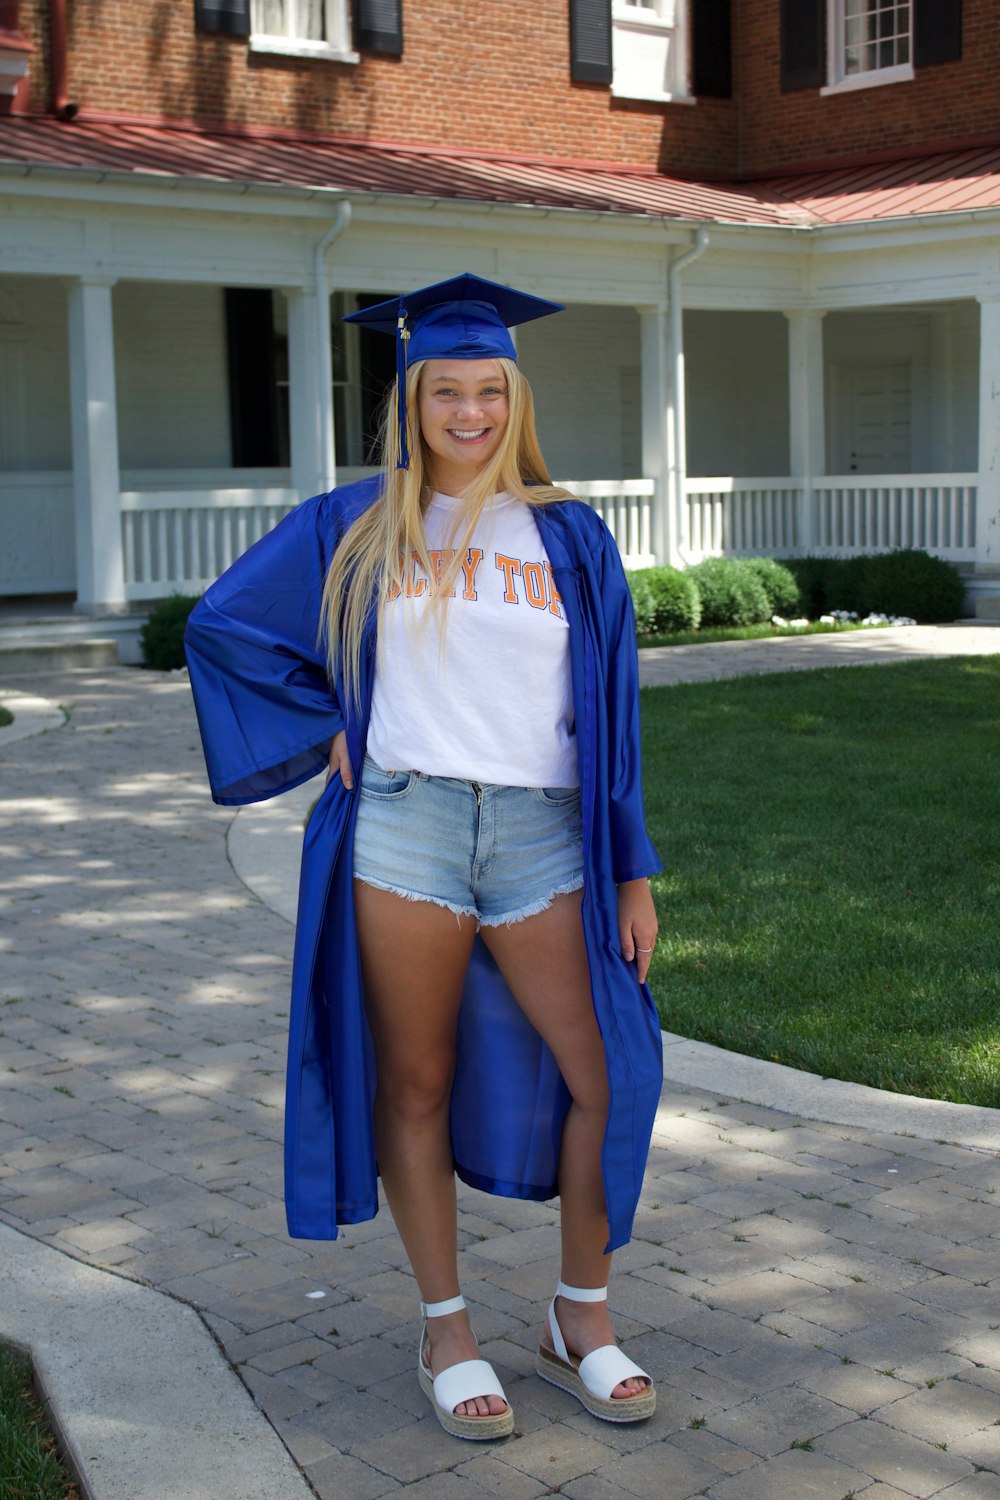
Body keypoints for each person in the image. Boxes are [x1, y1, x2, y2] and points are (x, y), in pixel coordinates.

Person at [185, 273, 664, 1442]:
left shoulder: (568, 532)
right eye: (443, 390)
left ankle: (579, 1317)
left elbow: (613, 710)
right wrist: (322, 723)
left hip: (545, 833)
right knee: (414, 1080)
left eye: (486, 390)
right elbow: (224, 624)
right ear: (409, 397)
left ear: (515, 395)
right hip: (404, 827)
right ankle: (447, 1329)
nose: (467, 413)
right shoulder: (356, 521)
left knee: (606, 1071)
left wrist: (630, 867)